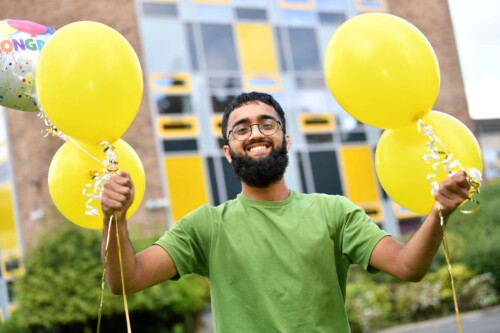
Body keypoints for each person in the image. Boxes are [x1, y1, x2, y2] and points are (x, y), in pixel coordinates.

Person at [101, 91, 471, 332]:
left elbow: (408, 266)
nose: (255, 133)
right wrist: (114, 220)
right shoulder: (206, 226)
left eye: (267, 123)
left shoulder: (334, 212)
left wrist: (439, 210)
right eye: (240, 129)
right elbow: (126, 280)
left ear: (285, 139)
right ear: (228, 151)